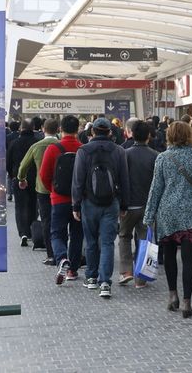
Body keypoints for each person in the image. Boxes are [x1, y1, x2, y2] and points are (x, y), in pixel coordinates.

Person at [144, 121, 192, 318]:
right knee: (188, 259)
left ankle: (172, 295)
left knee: (169, 258)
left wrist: (149, 215)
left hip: (167, 214)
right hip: (191, 213)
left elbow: (155, 188)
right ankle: (187, 302)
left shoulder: (163, 158)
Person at [71, 117, 130, 299]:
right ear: (110, 132)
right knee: (107, 243)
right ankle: (105, 283)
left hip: (89, 202)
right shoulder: (119, 151)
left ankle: (91, 278)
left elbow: (78, 180)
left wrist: (76, 204)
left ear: (93, 132)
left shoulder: (83, 151)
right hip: (111, 203)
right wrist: (124, 204)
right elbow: (124, 180)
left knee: (90, 241)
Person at [40, 115, 84, 285]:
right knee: (77, 234)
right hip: (78, 200)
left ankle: (61, 258)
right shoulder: (82, 149)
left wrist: (53, 190)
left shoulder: (53, 148)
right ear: (77, 129)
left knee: (57, 233)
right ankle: (72, 270)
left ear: (61, 129)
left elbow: (44, 175)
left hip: (58, 199)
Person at [121, 120, 159, 288]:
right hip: (148, 206)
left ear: (131, 134)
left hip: (128, 205)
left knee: (124, 236)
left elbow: (120, 180)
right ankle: (141, 278)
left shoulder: (124, 154)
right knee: (145, 240)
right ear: (149, 136)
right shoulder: (155, 156)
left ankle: (126, 271)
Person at [18, 118, 60, 264]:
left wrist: (22, 179)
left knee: (46, 221)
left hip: (42, 189)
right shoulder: (61, 145)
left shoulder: (37, 146)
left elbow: (23, 166)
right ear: (58, 129)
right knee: (62, 221)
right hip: (62, 190)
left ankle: (51, 253)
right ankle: (63, 250)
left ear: (43, 129)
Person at [7, 119, 39, 247]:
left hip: (19, 178)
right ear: (34, 128)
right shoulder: (37, 143)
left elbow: (8, 162)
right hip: (34, 178)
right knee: (32, 204)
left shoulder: (14, 143)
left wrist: (12, 175)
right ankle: (32, 230)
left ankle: (23, 233)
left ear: (21, 128)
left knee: (20, 207)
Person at [5, 119, 21, 201]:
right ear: (19, 128)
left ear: (10, 128)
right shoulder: (20, 136)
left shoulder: (7, 137)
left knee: (9, 176)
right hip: (20, 157)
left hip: (10, 158)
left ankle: (10, 194)